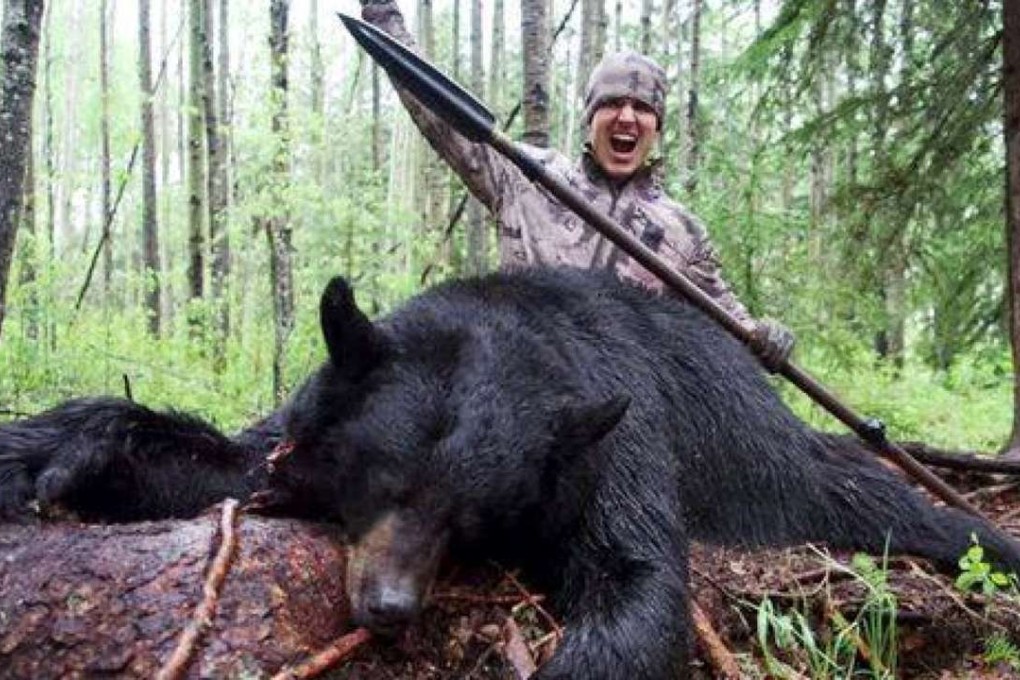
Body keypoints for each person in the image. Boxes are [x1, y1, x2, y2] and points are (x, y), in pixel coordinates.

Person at [358, 0, 795, 368]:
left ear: (657, 127)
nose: (627, 117)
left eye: (642, 108)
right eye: (613, 103)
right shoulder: (525, 176)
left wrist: (767, 338)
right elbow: (441, 117)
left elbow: (734, 328)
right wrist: (382, 15)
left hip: (620, 415)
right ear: (590, 117)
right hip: (519, 390)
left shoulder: (683, 234)